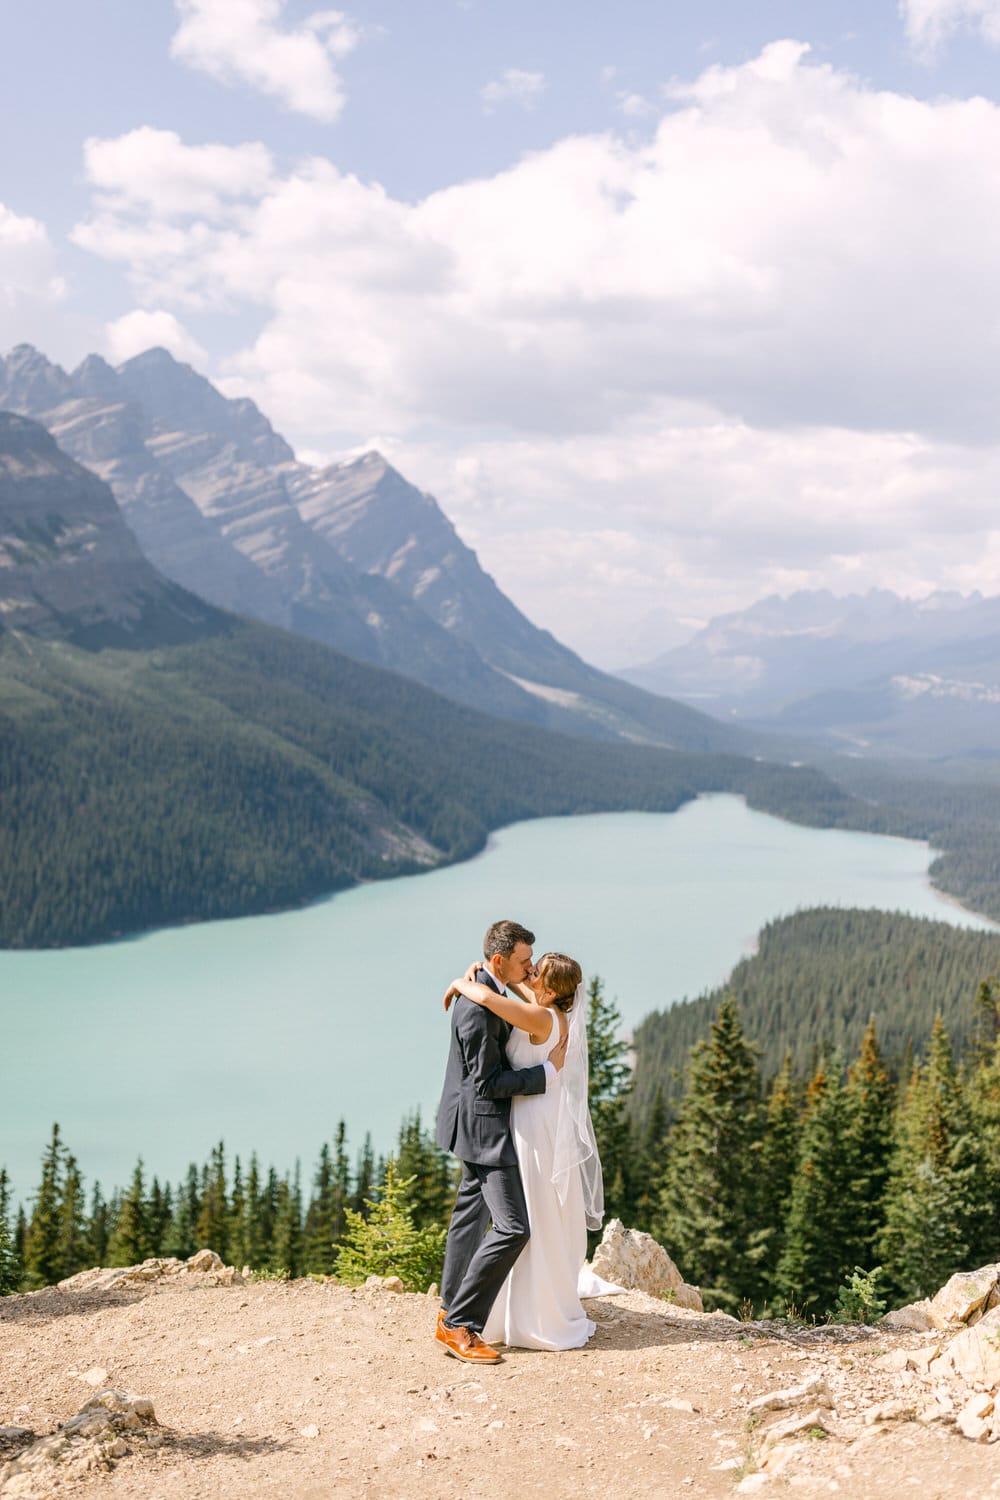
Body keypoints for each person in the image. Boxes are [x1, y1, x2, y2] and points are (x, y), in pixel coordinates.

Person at [444, 951, 622, 1351]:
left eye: (537, 972)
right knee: (533, 1209)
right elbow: (512, 986)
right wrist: (486, 970)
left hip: (532, 1120)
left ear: (552, 987)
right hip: (536, 1111)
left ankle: (523, 1311)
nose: (530, 974)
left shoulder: (542, 1018)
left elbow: (491, 1000)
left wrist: (460, 983)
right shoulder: (549, 1009)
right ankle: (512, 1303)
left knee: (528, 1212)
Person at [434, 920, 568, 1364]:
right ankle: (459, 1324)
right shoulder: (475, 1006)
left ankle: (448, 1311)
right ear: (498, 961)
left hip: (476, 1125)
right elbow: (488, 1083)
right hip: (487, 1129)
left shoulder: (488, 988)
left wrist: (465, 979)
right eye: (524, 961)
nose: (531, 969)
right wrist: (547, 1073)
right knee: (513, 1228)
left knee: (469, 1219)